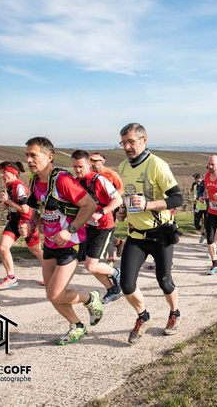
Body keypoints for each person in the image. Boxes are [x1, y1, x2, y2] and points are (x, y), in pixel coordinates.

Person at [20, 137, 103, 346]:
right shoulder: (34, 179)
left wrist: (69, 230)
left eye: (33, 155)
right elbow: (38, 208)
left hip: (71, 244)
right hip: (50, 244)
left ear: (49, 157)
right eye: (27, 155)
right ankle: (76, 325)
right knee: (52, 295)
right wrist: (33, 223)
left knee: (56, 293)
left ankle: (91, 299)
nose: (29, 159)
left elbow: (89, 206)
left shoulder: (62, 180)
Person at [116, 123, 184, 344]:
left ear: (144, 140)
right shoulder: (123, 166)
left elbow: (177, 199)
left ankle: (174, 313)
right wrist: (124, 210)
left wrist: (148, 205)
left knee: (164, 281)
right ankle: (143, 316)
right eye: (123, 142)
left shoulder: (157, 165)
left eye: (131, 142)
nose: (127, 146)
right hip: (136, 235)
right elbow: (130, 196)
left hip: (160, 234)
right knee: (126, 284)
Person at [71, 150, 123, 304]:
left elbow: (118, 200)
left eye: (81, 166)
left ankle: (116, 273)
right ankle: (113, 289)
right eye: (74, 167)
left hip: (104, 226)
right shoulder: (75, 181)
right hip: (87, 226)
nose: (78, 170)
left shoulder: (99, 180)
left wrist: (101, 212)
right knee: (90, 264)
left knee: (91, 265)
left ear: (89, 165)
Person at [0, 161, 44, 290]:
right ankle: (11, 277)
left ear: (13, 173)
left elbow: (25, 209)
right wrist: (6, 204)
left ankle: (51, 273)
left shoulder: (19, 187)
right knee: (3, 247)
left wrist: (8, 201)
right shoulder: (9, 185)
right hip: (14, 221)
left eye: (4, 172)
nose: (2, 175)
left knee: (35, 250)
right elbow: (11, 204)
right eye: (1, 172)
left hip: (27, 222)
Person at [89, 152, 124, 264]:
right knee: (97, 231)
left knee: (106, 229)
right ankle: (118, 243)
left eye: (95, 161)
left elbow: (121, 190)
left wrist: (110, 204)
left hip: (110, 207)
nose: (92, 163)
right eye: (91, 160)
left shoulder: (111, 174)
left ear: (102, 162)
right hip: (95, 208)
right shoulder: (90, 174)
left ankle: (111, 259)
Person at [190, 173, 207, 243]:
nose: (198, 183)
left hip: (206, 207)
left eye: (199, 181)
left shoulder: (205, 186)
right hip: (198, 207)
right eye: (196, 181)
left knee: (207, 224)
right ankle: (203, 233)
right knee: (196, 224)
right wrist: (194, 200)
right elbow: (194, 193)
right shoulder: (194, 185)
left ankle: (210, 239)